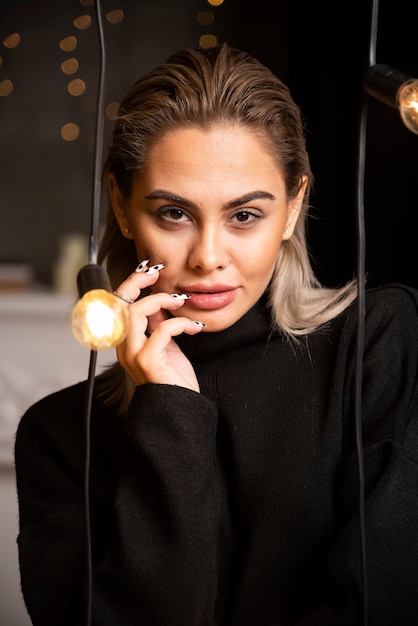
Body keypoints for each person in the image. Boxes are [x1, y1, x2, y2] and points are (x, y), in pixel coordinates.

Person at [14, 43, 418, 626]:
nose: (207, 258)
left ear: (293, 206)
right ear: (123, 209)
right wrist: (170, 415)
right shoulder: (59, 436)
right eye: (173, 213)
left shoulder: (381, 347)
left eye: (244, 215)